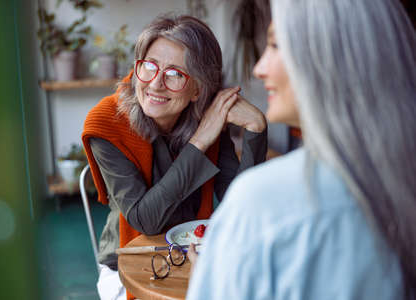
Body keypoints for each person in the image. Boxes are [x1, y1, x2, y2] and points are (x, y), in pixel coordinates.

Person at [186, 0, 416, 299]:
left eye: (276, 45)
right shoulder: (401, 181)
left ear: (331, 55)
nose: (259, 68)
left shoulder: (262, 201)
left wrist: (212, 274)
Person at [81, 14, 268, 300]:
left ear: (198, 89)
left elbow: (240, 206)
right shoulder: (108, 121)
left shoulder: (209, 114)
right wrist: (200, 140)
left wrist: (257, 130)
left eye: (175, 74)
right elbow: (146, 220)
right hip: (128, 261)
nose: (155, 84)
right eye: (149, 67)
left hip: (194, 253)